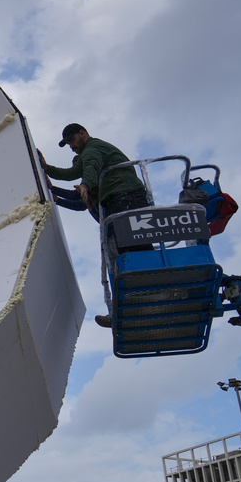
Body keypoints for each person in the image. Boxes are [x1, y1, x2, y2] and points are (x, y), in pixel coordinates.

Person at [39, 123, 151, 328]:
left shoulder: (93, 150)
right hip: (116, 201)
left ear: (83, 133)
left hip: (126, 196)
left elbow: (88, 169)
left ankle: (149, 291)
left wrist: (85, 184)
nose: (72, 146)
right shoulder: (89, 162)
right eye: (69, 144)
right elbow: (74, 177)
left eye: (72, 140)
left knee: (134, 248)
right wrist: (49, 174)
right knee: (120, 256)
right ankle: (126, 304)